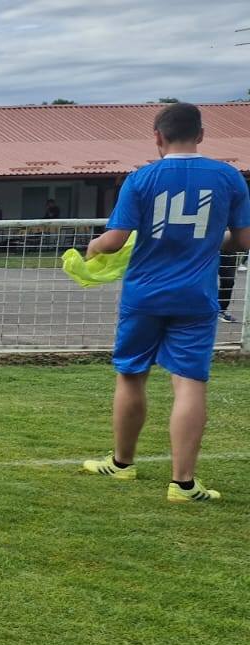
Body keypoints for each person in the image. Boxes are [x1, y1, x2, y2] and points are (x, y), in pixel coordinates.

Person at [80, 102, 250, 503]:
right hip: (196, 296)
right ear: (201, 134)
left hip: (144, 294)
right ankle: (183, 484)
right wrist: (211, 241)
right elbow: (244, 240)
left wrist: (93, 247)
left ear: (158, 136)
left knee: (131, 374)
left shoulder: (141, 178)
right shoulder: (228, 176)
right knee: (189, 382)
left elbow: (115, 241)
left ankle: (122, 463)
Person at [218, 244, 242, 322]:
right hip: (208, 246)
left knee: (228, 281)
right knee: (203, 279)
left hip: (229, 249)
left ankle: (221, 310)